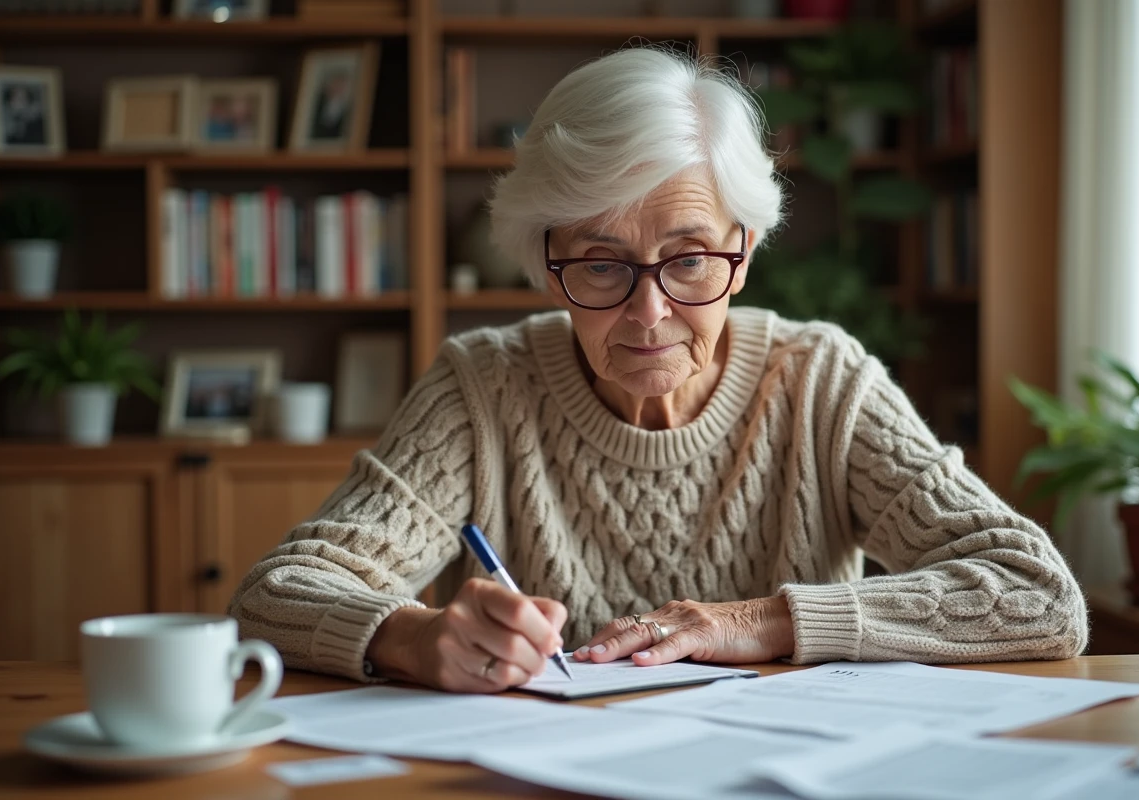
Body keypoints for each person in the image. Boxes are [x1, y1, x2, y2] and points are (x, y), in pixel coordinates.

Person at [230, 47, 1088, 693]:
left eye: (688, 261)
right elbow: (274, 595)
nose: (648, 314)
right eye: (601, 265)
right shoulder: (482, 388)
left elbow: (1039, 595)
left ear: (743, 253)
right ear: (544, 256)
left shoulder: (823, 382)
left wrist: (762, 621)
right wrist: (412, 636)